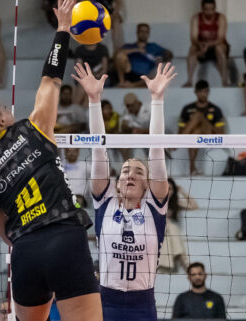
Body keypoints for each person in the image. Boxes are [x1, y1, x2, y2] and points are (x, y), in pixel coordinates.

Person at [0, 1, 103, 320]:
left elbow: (4, 231)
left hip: (25, 252)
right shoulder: (34, 127)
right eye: (5, 108)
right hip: (63, 237)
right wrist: (62, 29)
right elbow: (52, 78)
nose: (10, 110)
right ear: (0, 121)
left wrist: (28, 237)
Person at [84, 62, 174, 321]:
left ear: (147, 185)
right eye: (125, 171)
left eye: (138, 171)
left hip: (142, 306)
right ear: (116, 181)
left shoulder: (154, 207)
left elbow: (156, 151)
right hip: (105, 302)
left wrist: (157, 99)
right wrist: (94, 100)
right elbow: (97, 149)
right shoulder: (105, 200)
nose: (131, 174)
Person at [178, 80, 226, 175]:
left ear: (208, 92)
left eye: (206, 91)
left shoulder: (215, 110)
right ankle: (193, 168)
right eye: (201, 92)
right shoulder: (187, 109)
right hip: (194, 136)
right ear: (196, 92)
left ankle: (176, 143)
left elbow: (220, 134)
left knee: (198, 115)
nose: (203, 94)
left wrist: (203, 120)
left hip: (210, 136)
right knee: (196, 131)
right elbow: (180, 130)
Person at [184, 0, 229, 87]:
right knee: (192, 49)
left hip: (216, 46)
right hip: (201, 46)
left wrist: (208, 45)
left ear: (215, 8)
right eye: (206, 9)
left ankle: (224, 81)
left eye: (211, 9)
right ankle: (189, 81)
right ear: (202, 9)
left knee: (219, 48)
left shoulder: (221, 18)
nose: (209, 12)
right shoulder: (196, 18)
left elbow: (221, 38)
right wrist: (200, 45)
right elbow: (193, 38)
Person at [114, 23, 173, 88]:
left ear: (148, 34)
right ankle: (122, 82)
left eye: (146, 32)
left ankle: (130, 86)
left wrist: (162, 58)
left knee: (158, 75)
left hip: (146, 76)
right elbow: (118, 54)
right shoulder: (130, 46)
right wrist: (137, 50)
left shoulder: (153, 46)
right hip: (130, 73)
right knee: (120, 56)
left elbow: (169, 54)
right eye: (142, 31)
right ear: (137, 32)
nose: (144, 34)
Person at [158, 178, 198, 273]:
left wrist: (183, 192)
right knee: (170, 227)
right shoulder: (153, 201)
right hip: (155, 232)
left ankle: (167, 265)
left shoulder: (175, 203)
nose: (168, 191)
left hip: (168, 233)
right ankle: (184, 262)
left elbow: (194, 206)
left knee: (171, 229)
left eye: (170, 189)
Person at [120, 92, 150, 160]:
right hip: (134, 137)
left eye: (131, 105)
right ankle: (127, 165)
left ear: (137, 102)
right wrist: (132, 130)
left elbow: (158, 129)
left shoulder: (149, 109)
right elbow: (123, 126)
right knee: (122, 142)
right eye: (127, 106)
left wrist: (142, 131)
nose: (129, 108)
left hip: (149, 137)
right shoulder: (127, 111)